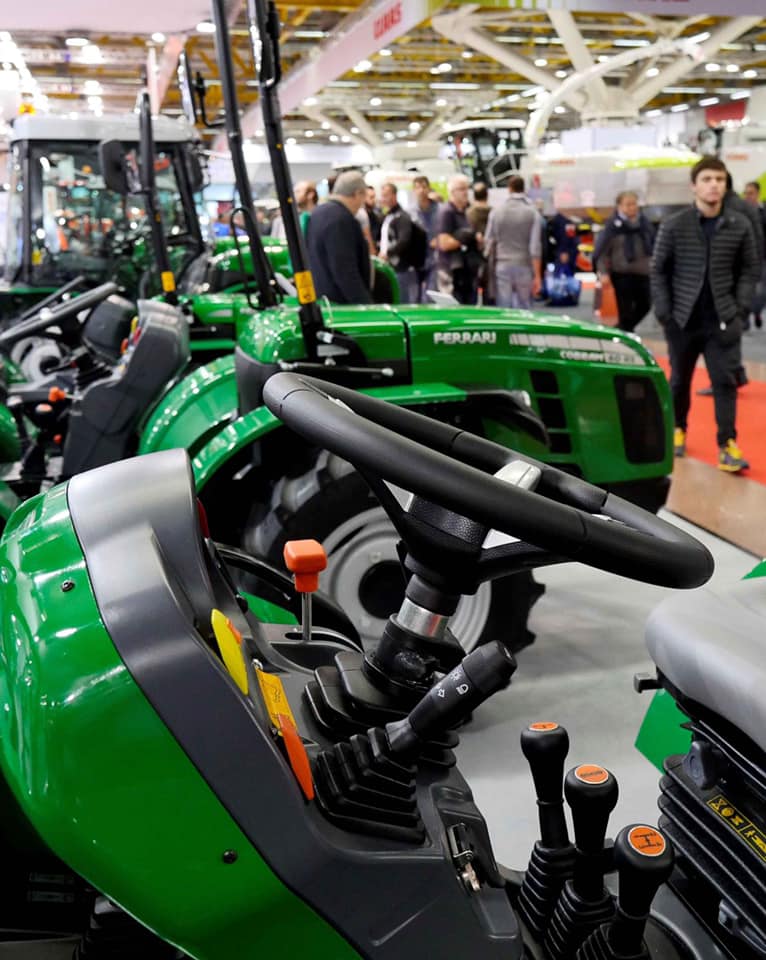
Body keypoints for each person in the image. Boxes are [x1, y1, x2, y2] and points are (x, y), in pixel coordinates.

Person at [650, 156, 759, 473]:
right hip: (682, 321)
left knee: (724, 382)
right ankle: (677, 429)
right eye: (707, 179)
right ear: (694, 186)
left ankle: (727, 445)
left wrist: (740, 309)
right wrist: (664, 312)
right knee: (679, 381)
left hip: (723, 320)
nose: (714, 185)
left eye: (720, 180)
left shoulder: (739, 225)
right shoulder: (675, 224)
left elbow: (750, 270)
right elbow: (658, 270)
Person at [592, 191, 655, 332]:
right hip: (622, 274)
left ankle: (622, 330)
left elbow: (654, 245)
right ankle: (626, 333)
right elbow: (602, 252)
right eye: (628, 204)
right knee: (625, 309)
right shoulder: (612, 227)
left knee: (645, 305)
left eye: (634, 204)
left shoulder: (645, 224)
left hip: (643, 273)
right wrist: (603, 272)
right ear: (619, 206)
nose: (632, 207)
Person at [305, 170, 371, 304]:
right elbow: (345, 270)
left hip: (322, 299)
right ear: (357, 193)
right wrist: (365, 305)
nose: (363, 203)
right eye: (364, 196)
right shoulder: (341, 220)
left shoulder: (318, 213)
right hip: (341, 305)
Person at [483, 175, 542, 309]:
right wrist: (538, 276)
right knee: (524, 306)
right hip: (524, 264)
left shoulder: (496, 212)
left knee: (504, 306)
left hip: (502, 264)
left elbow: (489, 240)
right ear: (524, 189)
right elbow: (535, 248)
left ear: (509, 189)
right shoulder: (532, 212)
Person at [435, 174, 482, 304]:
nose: (465, 192)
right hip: (450, 271)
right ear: (452, 192)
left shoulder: (470, 211)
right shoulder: (446, 212)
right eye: (461, 189)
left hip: (469, 270)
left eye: (467, 188)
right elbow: (444, 243)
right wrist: (465, 238)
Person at [379, 182, 417, 303]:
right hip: (390, 267)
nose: (383, 198)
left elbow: (404, 240)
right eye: (382, 195)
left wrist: (387, 253)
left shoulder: (402, 216)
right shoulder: (387, 216)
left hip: (402, 268)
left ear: (394, 195)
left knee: (403, 301)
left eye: (386, 195)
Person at [411, 175, 440, 301]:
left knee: (430, 296)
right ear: (414, 190)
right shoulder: (410, 212)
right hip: (416, 258)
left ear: (429, 188)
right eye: (418, 187)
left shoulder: (439, 209)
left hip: (435, 258)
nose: (421, 191)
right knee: (414, 297)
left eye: (424, 187)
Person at [743, 180, 766, 329]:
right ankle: (744, 318)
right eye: (745, 193)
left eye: (750, 193)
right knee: (744, 289)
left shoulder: (763, 211)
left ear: (757, 194)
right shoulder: (741, 212)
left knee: (762, 291)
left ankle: (757, 311)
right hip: (746, 258)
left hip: (762, 257)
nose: (747, 196)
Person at [365, 185, 382, 250]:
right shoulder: (358, 217)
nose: (374, 200)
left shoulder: (376, 218)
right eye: (371, 197)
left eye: (374, 197)